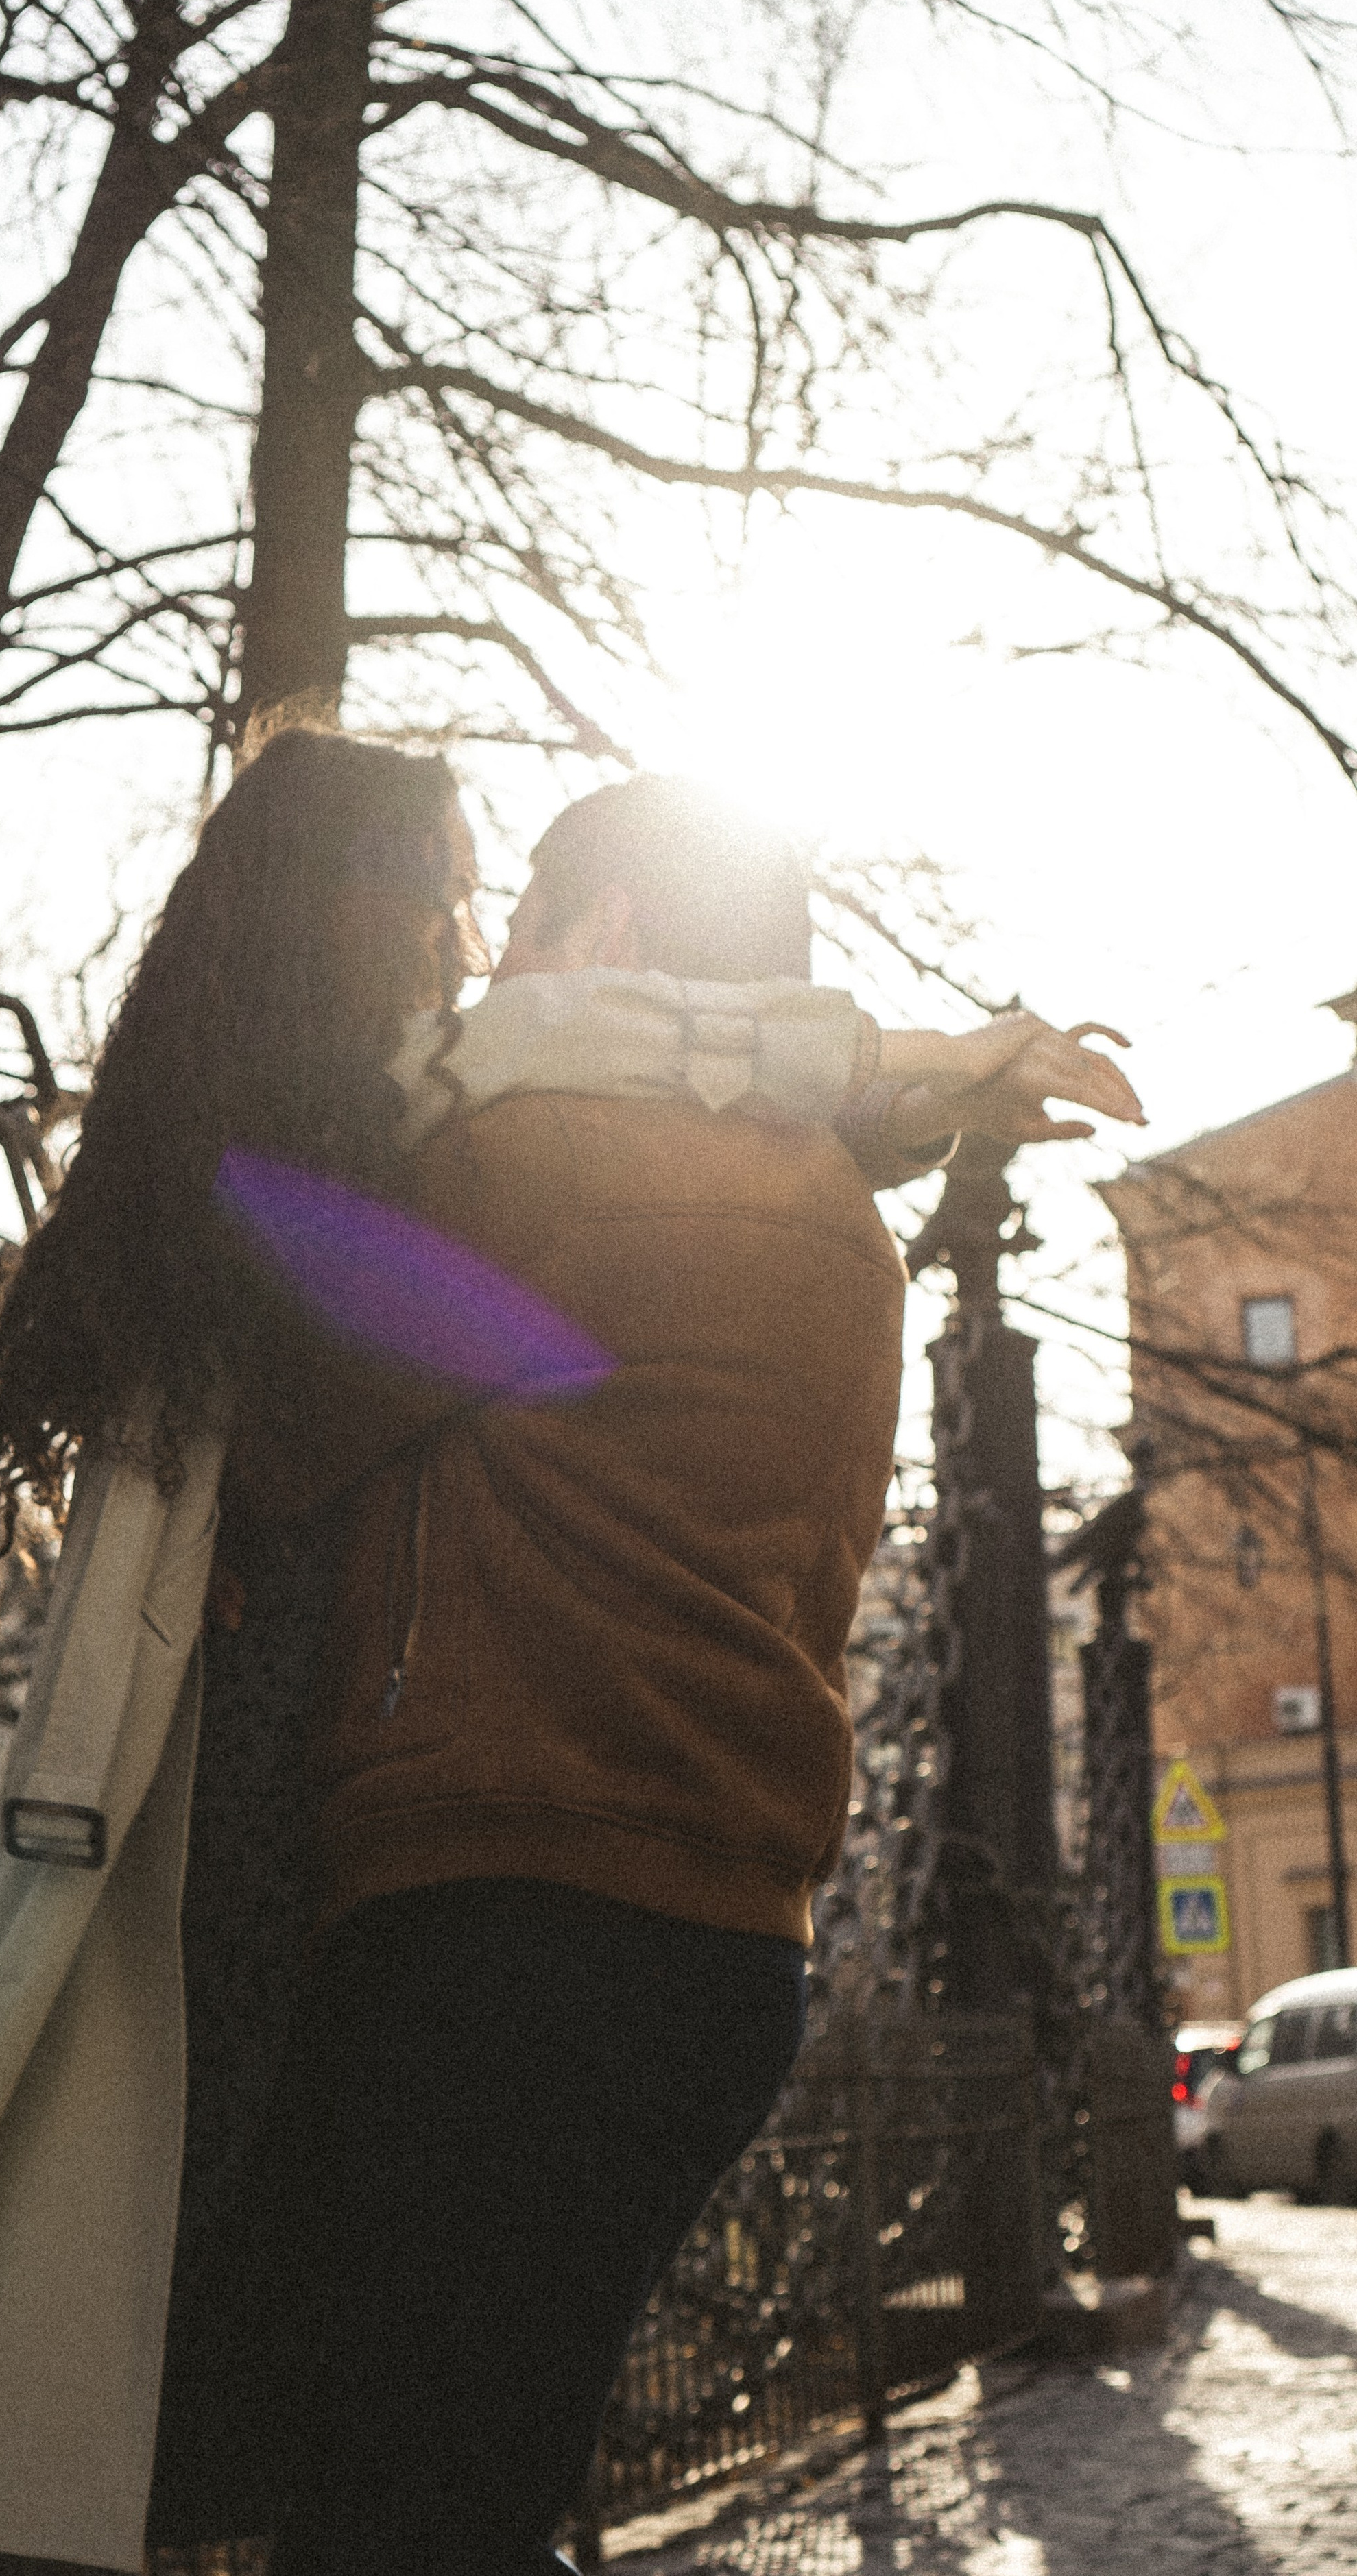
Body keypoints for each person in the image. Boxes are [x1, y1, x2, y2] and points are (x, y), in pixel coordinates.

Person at [175, 773, 1144, 2576]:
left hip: (495, 1920)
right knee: (471, 2473)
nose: (480, 971)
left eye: (518, 928)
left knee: (350, 2492)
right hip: (719, 1943)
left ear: (602, 943)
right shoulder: (837, 1225)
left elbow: (272, 1428)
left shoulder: (517, 1160)